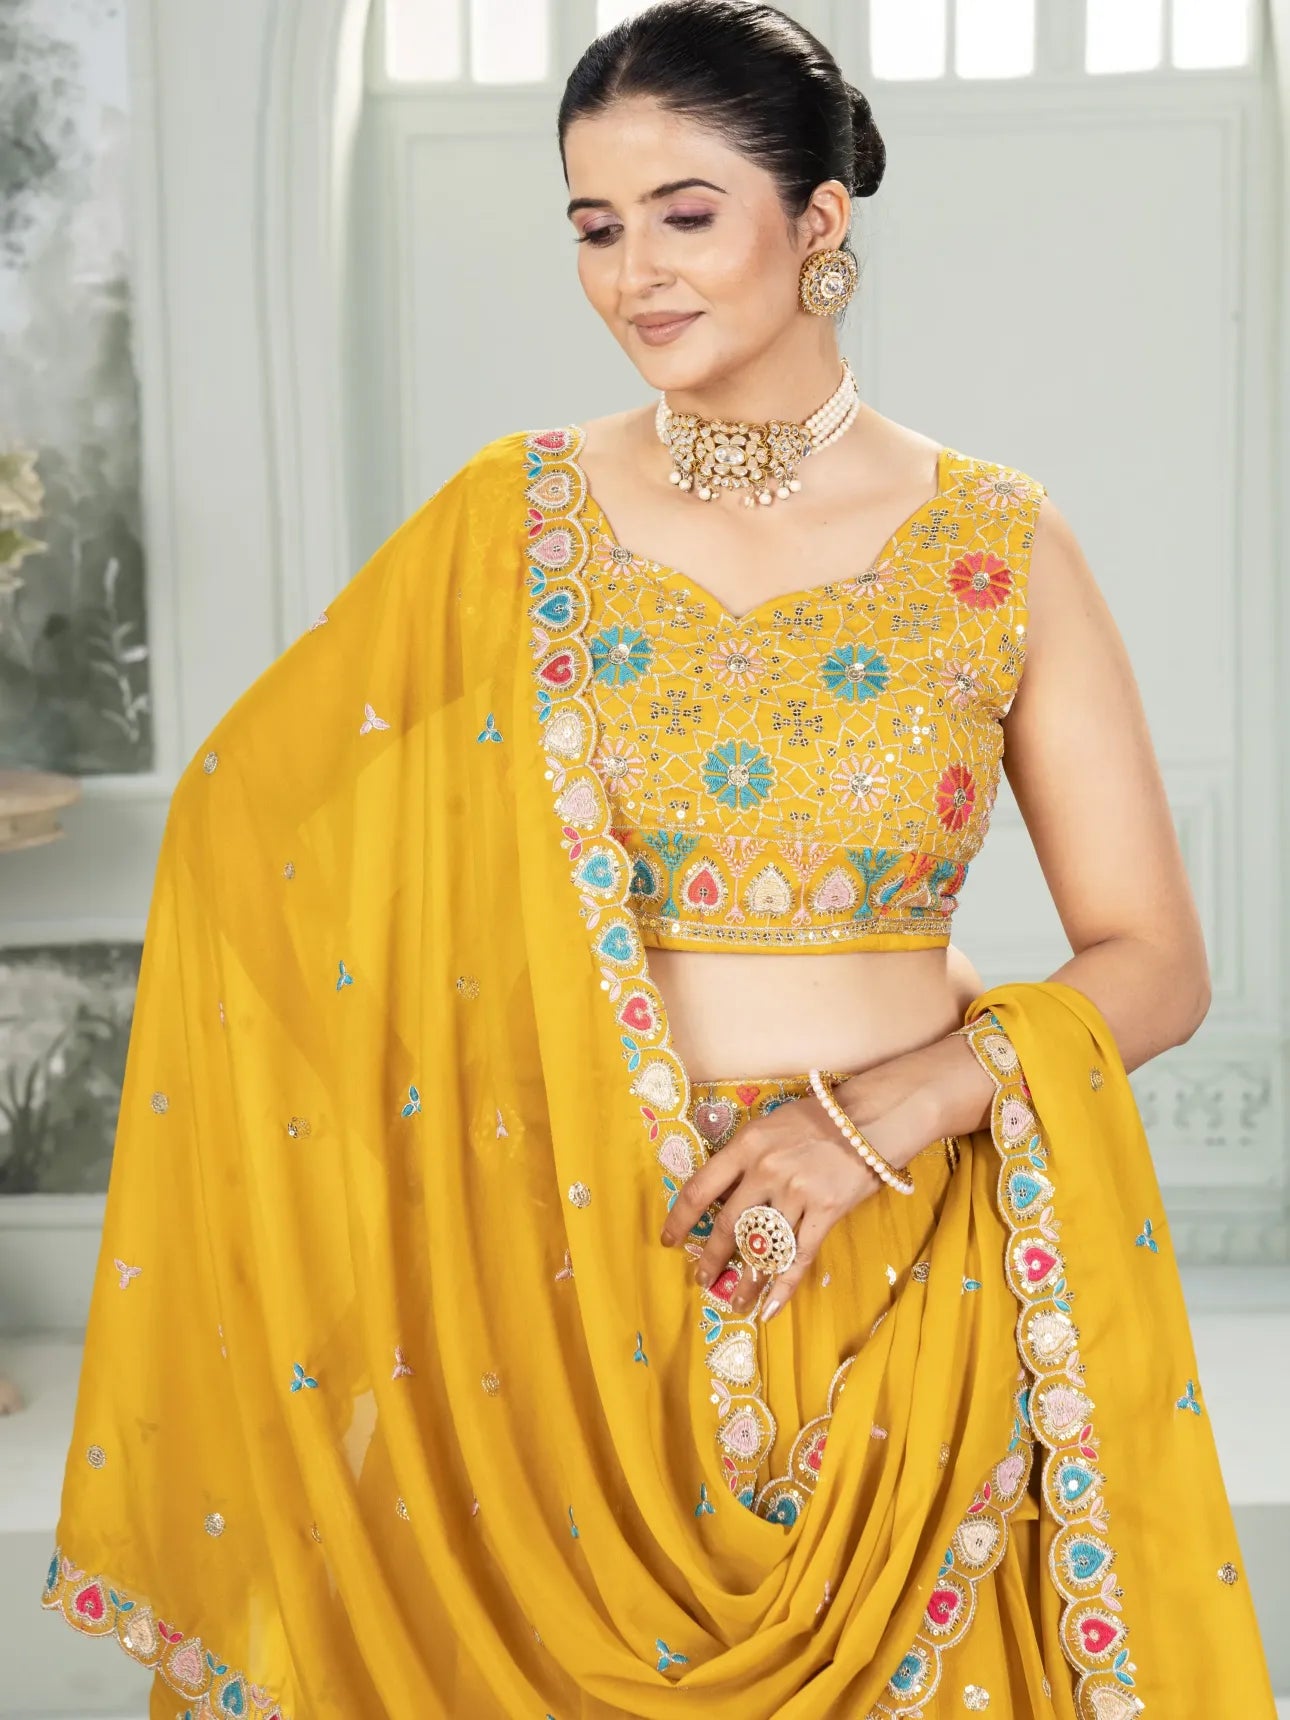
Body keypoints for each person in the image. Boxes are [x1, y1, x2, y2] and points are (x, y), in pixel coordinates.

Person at [39, 3, 1276, 1715]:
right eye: (595, 226)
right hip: (559, 1284)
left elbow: (1152, 960)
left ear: (816, 223)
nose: (635, 273)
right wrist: (443, 1140)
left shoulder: (997, 545)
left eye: (686, 213)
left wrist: (885, 1114)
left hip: (911, 1284)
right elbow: (259, 845)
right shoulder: (507, 522)